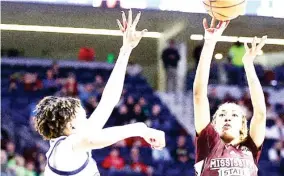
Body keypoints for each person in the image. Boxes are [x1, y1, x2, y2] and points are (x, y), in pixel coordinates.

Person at [34, 10, 165, 176]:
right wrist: (140, 128)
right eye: (81, 114)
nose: (87, 116)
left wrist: (126, 50)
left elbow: (108, 101)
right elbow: (90, 140)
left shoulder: (77, 138)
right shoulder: (62, 151)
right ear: (70, 125)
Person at [193, 17, 267, 176]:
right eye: (222, 114)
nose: (227, 118)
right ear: (213, 123)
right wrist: (210, 42)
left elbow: (260, 114)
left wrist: (248, 64)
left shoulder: (250, 148)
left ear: (242, 125)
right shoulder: (208, 142)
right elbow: (199, 95)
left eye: (234, 115)